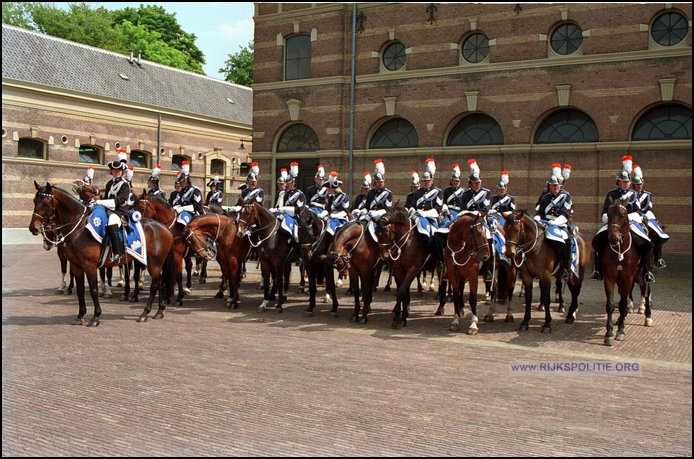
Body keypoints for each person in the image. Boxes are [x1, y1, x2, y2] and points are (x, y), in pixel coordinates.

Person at [591, 157, 654, 283]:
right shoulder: (611, 194)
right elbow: (604, 210)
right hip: (613, 222)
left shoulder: (634, 194)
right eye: (623, 181)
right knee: (598, 239)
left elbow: (638, 210)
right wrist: (607, 217)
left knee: (646, 241)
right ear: (618, 182)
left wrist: (629, 217)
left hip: (630, 222)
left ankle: (647, 271)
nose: (625, 183)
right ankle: (598, 270)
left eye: (627, 182)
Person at [534, 166, 573, 280]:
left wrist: (555, 222)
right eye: (552, 185)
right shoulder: (545, 197)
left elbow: (566, 213)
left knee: (567, 240)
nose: (555, 187)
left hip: (560, 223)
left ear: (560, 186)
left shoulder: (566, 196)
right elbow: (540, 212)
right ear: (549, 186)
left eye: (557, 185)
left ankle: (565, 267)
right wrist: (536, 219)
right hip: (545, 222)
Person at [631, 164, 669, 269]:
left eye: (640, 184)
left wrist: (644, 215)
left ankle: (658, 258)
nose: (639, 186)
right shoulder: (630, 195)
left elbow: (649, 207)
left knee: (656, 232)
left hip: (645, 216)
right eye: (636, 184)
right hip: (633, 217)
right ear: (633, 185)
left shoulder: (647, 194)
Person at [98, 150, 132, 264]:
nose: (116, 172)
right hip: (108, 209)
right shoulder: (109, 184)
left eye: (118, 170)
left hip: (119, 211)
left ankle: (117, 253)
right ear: (111, 172)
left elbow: (120, 200)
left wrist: (103, 202)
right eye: (114, 170)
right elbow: (106, 197)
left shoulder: (125, 185)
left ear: (122, 172)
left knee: (112, 223)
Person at [270, 162, 305, 242]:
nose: (286, 185)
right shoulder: (285, 194)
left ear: (293, 183)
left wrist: (282, 209)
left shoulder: (300, 195)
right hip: (284, 215)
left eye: (288, 183)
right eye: (286, 183)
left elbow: (299, 210)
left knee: (296, 236)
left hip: (295, 218)